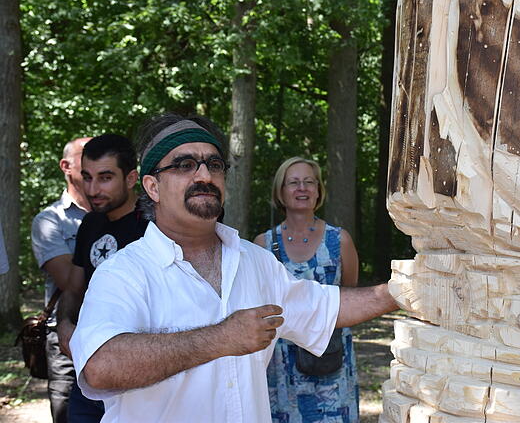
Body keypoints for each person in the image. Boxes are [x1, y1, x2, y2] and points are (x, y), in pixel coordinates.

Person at [69, 113, 397, 422]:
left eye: (214, 164)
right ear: (152, 187)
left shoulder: (255, 261)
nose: (204, 175)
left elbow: (321, 306)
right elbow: (100, 366)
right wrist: (220, 338)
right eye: (184, 165)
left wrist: (404, 289)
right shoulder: (124, 272)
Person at [254, 157, 360, 422]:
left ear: (318, 190)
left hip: (332, 361)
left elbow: (350, 297)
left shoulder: (340, 240)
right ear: (281, 191)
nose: (302, 188)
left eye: (309, 182)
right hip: (282, 366)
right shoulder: (262, 245)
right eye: (294, 182)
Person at [57, 134, 148, 423]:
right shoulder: (90, 223)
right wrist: (64, 325)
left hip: (142, 376)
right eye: (87, 177)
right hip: (90, 373)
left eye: (105, 178)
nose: (93, 189)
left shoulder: (155, 226)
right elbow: (74, 287)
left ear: (132, 177)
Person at [31, 137, 91, 423]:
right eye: (87, 155)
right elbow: (69, 280)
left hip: (121, 332)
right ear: (66, 166)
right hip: (66, 336)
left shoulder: (126, 217)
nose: (95, 159)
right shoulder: (49, 221)